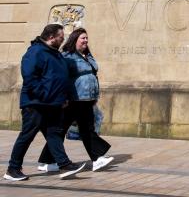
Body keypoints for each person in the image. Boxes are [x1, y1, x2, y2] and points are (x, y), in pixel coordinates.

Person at [4, 24, 86, 181]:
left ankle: (64, 165)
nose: (63, 40)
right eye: (61, 37)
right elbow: (30, 78)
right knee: (27, 135)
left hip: (52, 104)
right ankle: (12, 169)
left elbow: (59, 78)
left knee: (54, 134)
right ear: (51, 37)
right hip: (36, 104)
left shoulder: (55, 54)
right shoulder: (35, 52)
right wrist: (45, 96)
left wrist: (62, 98)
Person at [37, 29, 113, 173]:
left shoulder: (87, 55)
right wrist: (63, 97)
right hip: (73, 100)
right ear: (74, 39)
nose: (85, 41)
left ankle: (48, 161)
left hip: (87, 100)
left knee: (85, 129)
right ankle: (95, 158)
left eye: (87, 38)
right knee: (65, 130)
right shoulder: (67, 57)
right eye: (83, 38)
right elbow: (62, 78)